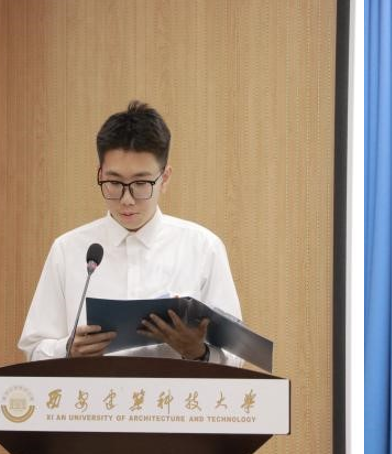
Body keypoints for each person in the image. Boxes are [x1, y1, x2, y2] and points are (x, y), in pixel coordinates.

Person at [18, 100, 242, 366]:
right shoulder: (68, 250)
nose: (126, 199)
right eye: (114, 182)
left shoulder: (203, 248)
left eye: (141, 183)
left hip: (172, 393)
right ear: (100, 174)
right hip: (91, 393)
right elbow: (34, 349)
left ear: (165, 178)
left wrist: (198, 352)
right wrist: (67, 349)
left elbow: (236, 355)